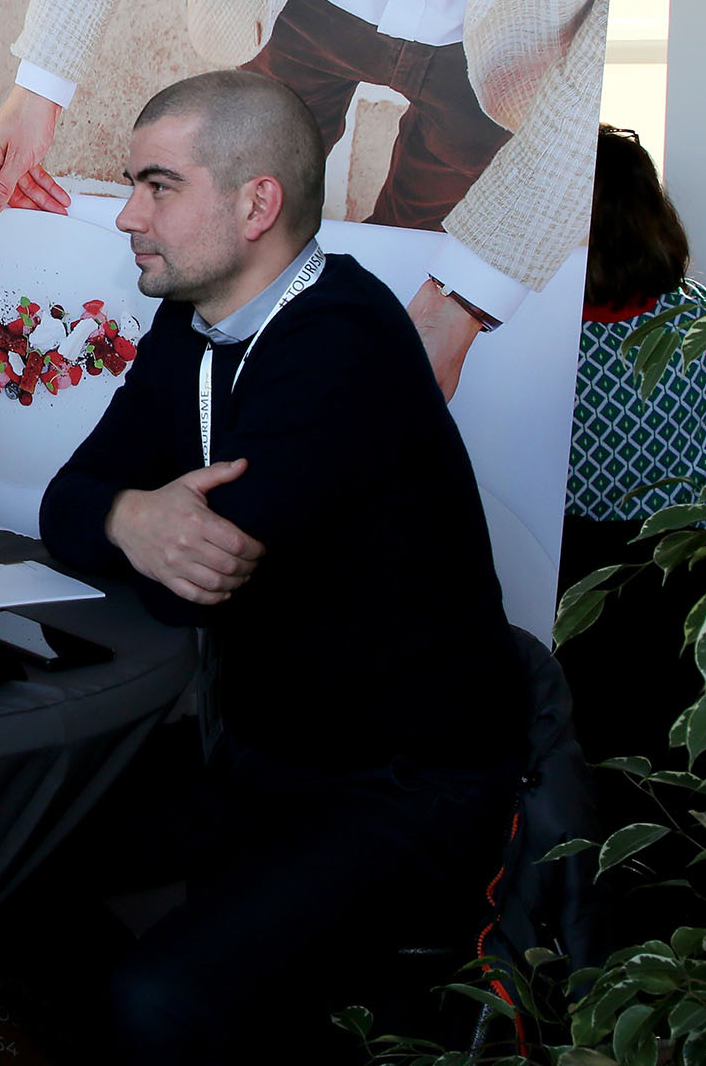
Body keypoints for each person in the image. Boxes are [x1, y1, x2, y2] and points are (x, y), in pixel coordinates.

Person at [30, 70, 523, 1063]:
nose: (126, 213)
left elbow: (197, 578)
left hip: (402, 787)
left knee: (157, 997)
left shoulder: (343, 339)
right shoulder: (195, 320)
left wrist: (134, 526)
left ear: (258, 203)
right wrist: (131, 512)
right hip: (262, 756)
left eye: (158, 186)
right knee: (3, 863)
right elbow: (68, 501)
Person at [0, 0, 617, 401]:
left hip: (508, 46)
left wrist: (463, 300)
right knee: (235, 219)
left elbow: (607, 45)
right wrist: (39, 86)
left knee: (410, 256)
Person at [558, 125, 706, 937]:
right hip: (694, 575)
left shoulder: (548, 336)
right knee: (694, 789)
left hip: (587, 585)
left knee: (598, 793)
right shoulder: (699, 315)